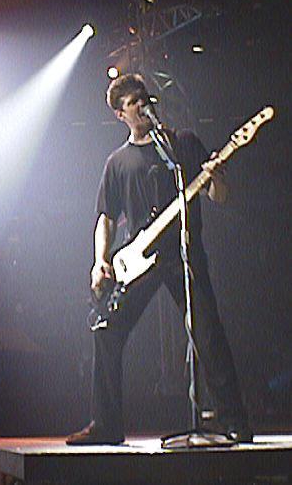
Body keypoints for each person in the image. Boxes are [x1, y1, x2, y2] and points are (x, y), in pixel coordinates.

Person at [66, 74, 251, 445]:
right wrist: (100, 260)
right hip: (139, 260)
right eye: (133, 102)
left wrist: (216, 177)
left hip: (184, 253)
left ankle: (234, 422)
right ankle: (106, 425)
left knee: (207, 332)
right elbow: (105, 217)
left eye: (144, 97)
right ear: (120, 114)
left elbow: (219, 196)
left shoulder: (182, 144)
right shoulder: (117, 162)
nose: (142, 105)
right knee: (107, 330)